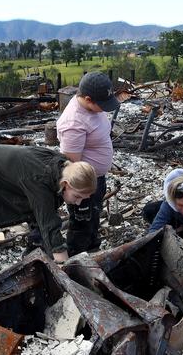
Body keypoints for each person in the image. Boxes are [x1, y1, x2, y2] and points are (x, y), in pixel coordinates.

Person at [0, 145, 97, 279]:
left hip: (1, 174)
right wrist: (64, 267)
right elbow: (49, 223)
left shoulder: (63, 167)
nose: (78, 202)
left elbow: (44, 216)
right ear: (65, 184)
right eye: (77, 196)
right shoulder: (40, 179)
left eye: (84, 198)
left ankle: (36, 267)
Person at [56, 71, 119, 256]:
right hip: (83, 184)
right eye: (103, 105)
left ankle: (93, 250)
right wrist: (83, 194)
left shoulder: (91, 109)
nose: (106, 109)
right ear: (88, 99)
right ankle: (77, 258)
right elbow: (72, 164)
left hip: (96, 178)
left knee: (93, 218)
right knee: (81, 222)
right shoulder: (73, 122)